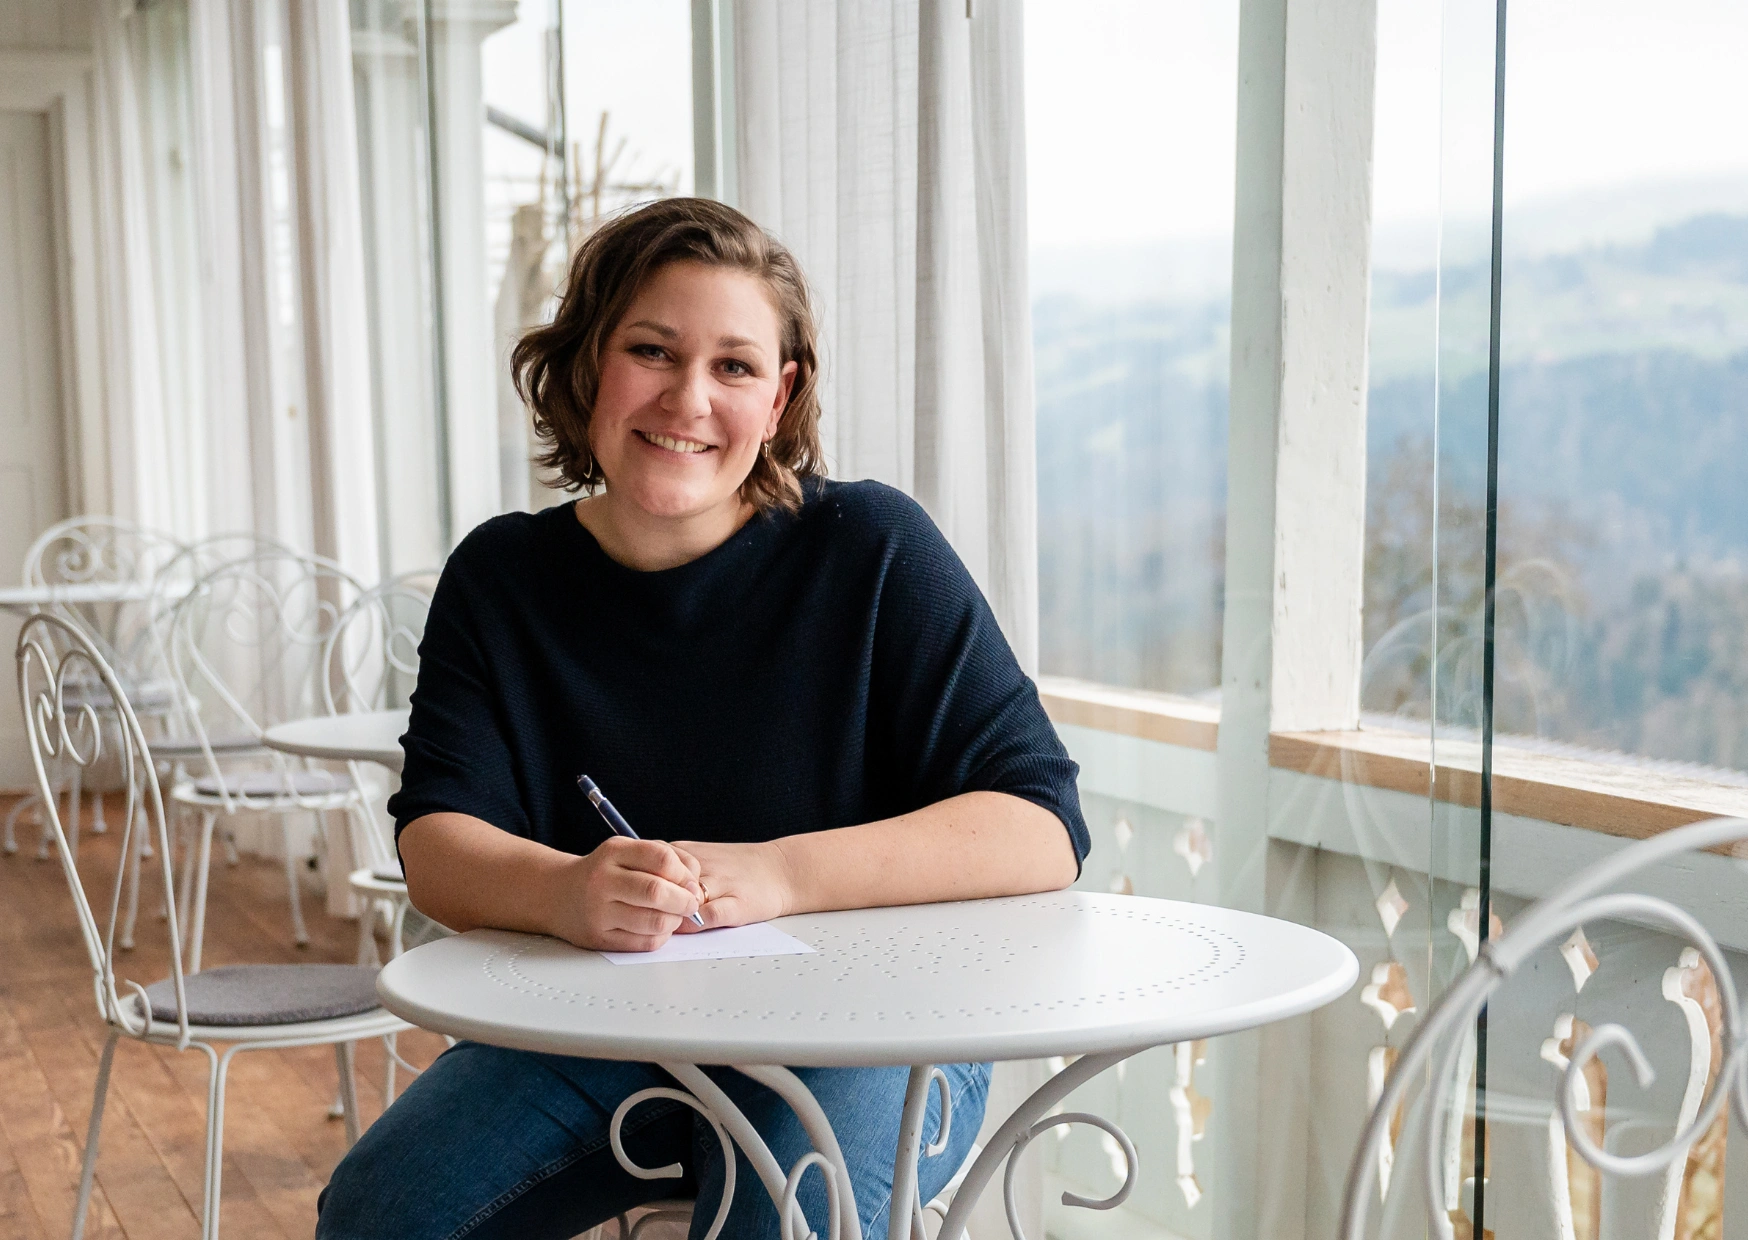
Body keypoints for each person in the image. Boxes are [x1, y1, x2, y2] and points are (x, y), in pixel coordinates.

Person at [316, 197, 1089, 1240]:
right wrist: (564, 891)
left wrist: (778, 875)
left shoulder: (873, 549)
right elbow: (437, 844)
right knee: (380, 1212)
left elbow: (1041, 827)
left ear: (780, 396)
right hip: (603, 1026)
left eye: (733, 365)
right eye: (651, 350)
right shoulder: (501, 577)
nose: (687, 398)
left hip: (878, 1029)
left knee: (779, 1221)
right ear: (588, 364)